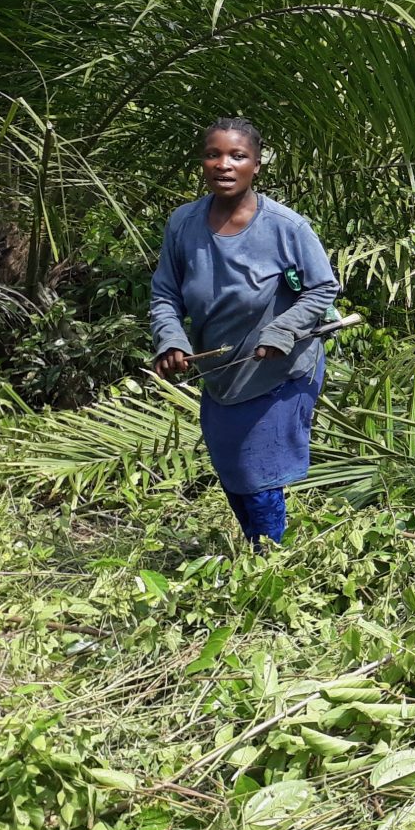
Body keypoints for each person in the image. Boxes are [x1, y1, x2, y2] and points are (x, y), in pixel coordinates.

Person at [150, 118, 339, 547]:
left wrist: (283, 330)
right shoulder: (183, 224)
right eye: (213, 154)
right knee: (233, 467)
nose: (224, 164)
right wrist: (172, 341)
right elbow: (165, 293)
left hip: (281, 368)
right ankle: (260, 551)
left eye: (237, 156)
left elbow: (323, 286)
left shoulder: (286, 227)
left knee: (258, 471)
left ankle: (270, 560)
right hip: (221, 374)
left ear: (256, 164)